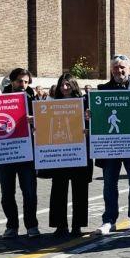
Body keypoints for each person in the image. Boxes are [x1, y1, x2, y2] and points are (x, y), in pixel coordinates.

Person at [94, 55, 130, 235]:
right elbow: (96, 116)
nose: (119, 71)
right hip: (110, 145)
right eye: (116, 68)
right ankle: (109, 220)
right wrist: (90, 114)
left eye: (122, 67)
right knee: (109, 183)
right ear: (111, 70)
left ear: (129, 69)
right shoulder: (102, 90)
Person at [0, 68, 39, 238]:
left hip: (28, 154)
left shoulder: (35, 99)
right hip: (5, 155)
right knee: (7, 193)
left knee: (30, 192)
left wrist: (35, 120)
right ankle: (12, 226)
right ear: (11, 81)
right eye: (19, 81)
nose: (23, 85)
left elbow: (47, 122)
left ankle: (32, 226)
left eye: (26, 82)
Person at [46, 74, 93, 237]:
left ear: (74, 85)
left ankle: (77, 226)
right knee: (58, 189)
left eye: (68, 85)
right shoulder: (51, 104)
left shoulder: (84, 103)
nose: (65, 88)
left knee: (80, 190)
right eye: (62, 85)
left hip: (79, 151)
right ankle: (60, 225)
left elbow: (93, 123)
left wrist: (89, 125)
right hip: (60, 153)